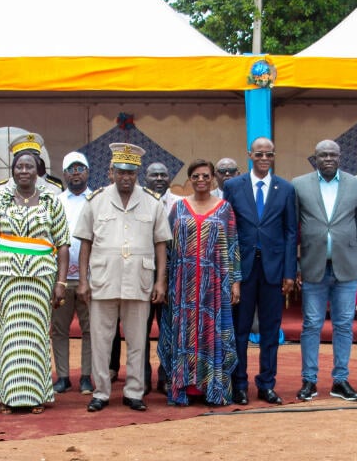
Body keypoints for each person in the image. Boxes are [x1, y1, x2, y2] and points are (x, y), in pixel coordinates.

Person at [75, 143, 172, 413]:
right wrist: (83, 280)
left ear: (137, 173)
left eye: (131, 172)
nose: (125, 177)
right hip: (104, 280)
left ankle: (134, 391)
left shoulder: (152, 202)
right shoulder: (96, 201)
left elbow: (161, 244)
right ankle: (101, 392)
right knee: (101, 340)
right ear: (110, 172)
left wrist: (160, 281)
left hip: (139, 281)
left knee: (138, 340)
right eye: (120, 172)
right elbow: (85, 242)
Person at [0, 148, 70, 415]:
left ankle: (37, 395)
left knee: (37, 336)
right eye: (19, 166)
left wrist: (61, 283)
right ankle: (7, 396)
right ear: (13, 171)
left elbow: (63, 244)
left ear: (38, 170)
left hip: (41, 278)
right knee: (9, 337)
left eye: (29, 166)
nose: (23, 171)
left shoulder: (51, 201)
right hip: (7, 278)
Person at [293, 139, 357, 402]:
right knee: (312, 324)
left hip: (347, 267)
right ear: (315, 158)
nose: (328, 158)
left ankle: (340, 380)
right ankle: (309, 381)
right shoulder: (299, 185)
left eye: (332, 154)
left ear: (340, 157)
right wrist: (294, 266)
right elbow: (294, 231)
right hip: (313, 266)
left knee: (344, 325)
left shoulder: (356, 185)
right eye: (322, 155)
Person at [159, 159, 241, 406]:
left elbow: (234, 247)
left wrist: (235, 282)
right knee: (183, 335)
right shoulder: (178, 209)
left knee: (211, 332)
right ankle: (183, 387)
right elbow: (168, 248)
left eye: (206, 176)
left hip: (214, 286)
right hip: (183, 286)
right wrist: (164, 281)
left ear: (213, 178)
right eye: (196, 176)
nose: (201, 180)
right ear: (190, 180)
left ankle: (212, 389)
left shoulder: (225, 209)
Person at [223, 137, 297, 406]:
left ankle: (267, 384)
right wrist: (230, 273)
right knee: (240, 330)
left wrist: (290, 272)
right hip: (242, 271)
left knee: (270, 330)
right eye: (259, 154)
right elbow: (227, 230)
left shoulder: (285, 189)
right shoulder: (233, 186)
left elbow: (291, 233)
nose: (264, 158)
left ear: (274, 156)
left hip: (274, 271)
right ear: (249, 155)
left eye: (269, 154)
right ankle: (239, 384)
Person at [51, 151, 95, 396]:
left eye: (81, 168)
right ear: (65, 174)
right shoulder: (56, 201)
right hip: (61, 277)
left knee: (90, 330)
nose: (76, 172)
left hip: (89, 279)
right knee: (59, 329)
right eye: (71, 169)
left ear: (88, 172)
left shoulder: (97, 200)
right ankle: (63, 376)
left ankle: (87, 377)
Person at [140, 161, 180, 394]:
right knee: (140, 330)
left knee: (168, 329)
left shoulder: (179, 204)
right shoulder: (138, 204)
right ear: (145, 177)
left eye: (163, 174)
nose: (158, 178)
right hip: (142, 274)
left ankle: (166, 376)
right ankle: (142, 378)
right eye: (153, 174)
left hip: (171, 275)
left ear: (169, 177)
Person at [0, 133, 63, 197]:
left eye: (31, 160)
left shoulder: (54, 190)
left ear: (39, 162)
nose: (24, 170)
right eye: (22, 161)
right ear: (15, 163)